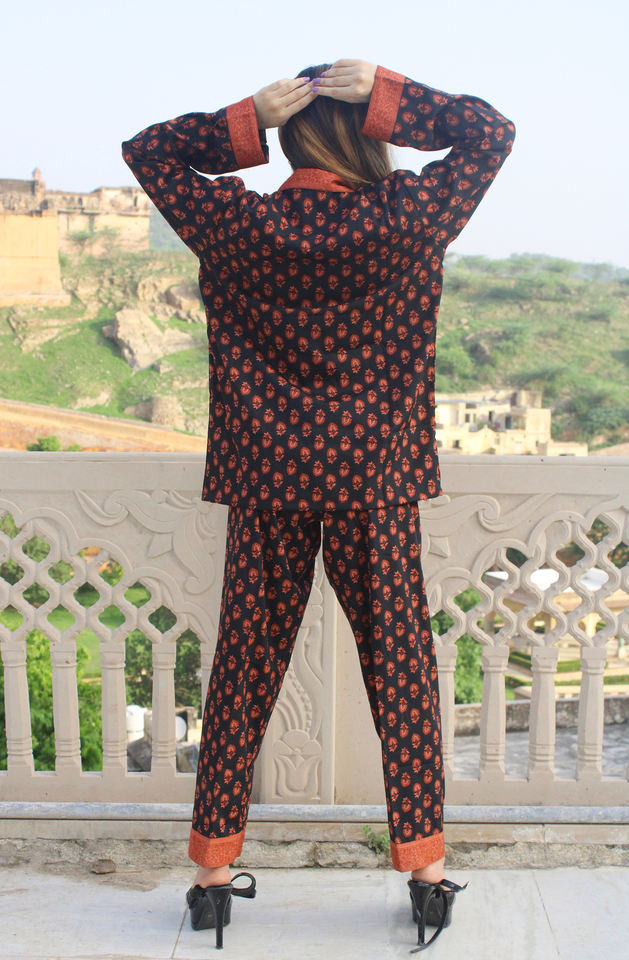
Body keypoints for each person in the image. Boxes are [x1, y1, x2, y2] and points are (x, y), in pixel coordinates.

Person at [121, 58, 515, 951]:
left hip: (268, 478)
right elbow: (491, 133)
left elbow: (145, 151)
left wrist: (245, 119)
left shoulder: (236, 223)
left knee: (242, 671)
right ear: (366, 138)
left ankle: (212, 873)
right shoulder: (407, 217)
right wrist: (388, 92)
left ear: (292, 138)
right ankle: (424, 872)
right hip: (375, 480)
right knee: (401, 672)